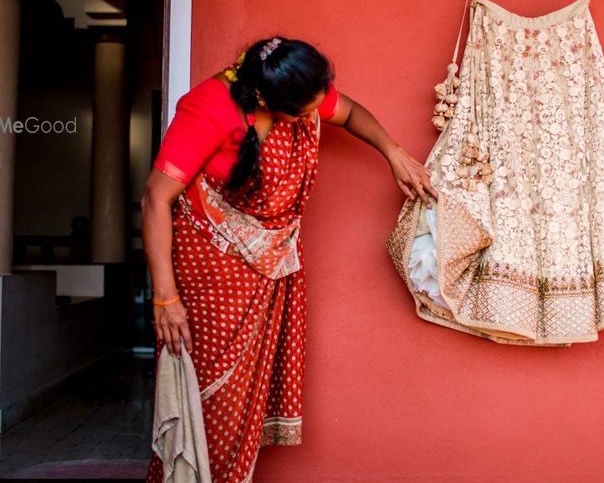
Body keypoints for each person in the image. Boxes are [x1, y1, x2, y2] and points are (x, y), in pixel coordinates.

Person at [143, 37, 436, 482]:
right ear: (264, 98)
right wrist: (165, 297)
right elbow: (155, 199)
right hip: (210, 271)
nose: (314, 117)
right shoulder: (207, 108)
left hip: (270, 268)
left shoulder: (293, 89)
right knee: (211, 397)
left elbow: (351, 113)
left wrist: (392, 151)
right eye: (303, 113)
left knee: (245, 398)